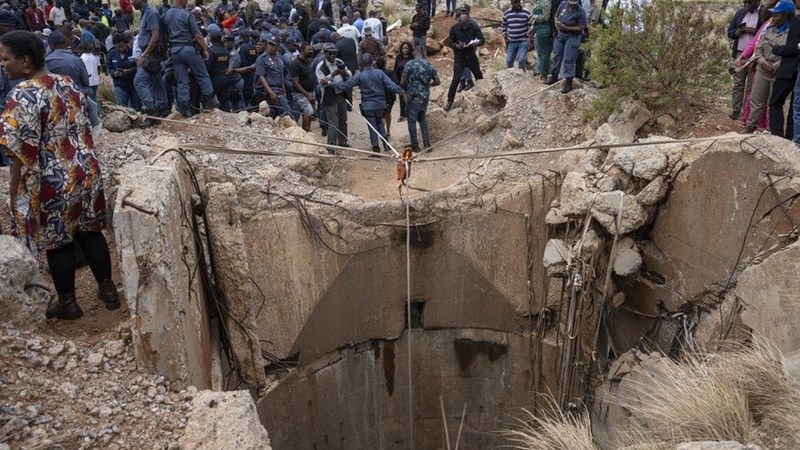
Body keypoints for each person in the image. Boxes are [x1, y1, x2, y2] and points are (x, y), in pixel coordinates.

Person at [0, 30, 120, 320]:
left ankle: (67, 302)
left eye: (5, 59)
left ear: (25, 61)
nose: (3, 65)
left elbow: (19, 152)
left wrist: (14, 192)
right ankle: (108, 290)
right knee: (90, 231)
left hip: (53, 181)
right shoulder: (67, 83)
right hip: (85, 171)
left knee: (58, 242)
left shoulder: (22, 94)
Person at [324, 52, 404, 154]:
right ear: (372, 62)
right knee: (380, 123)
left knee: (372, 127)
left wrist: (330, 83)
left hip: (368, 106)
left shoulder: (360, 76)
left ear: (362, 63)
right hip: (380, 104)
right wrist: (402, 92)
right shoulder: (379, 73)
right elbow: (391, 85)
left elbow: (345, 86)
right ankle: (386, 144)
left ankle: (376, 148)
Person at [163, 0, 218, 117]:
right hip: (188, 49)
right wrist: (205, 49)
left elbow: (165, 35)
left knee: (182, 80)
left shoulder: (166, 15)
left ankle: (184, 108)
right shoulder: (187, 15)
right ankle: (210, 102)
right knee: (202, 75)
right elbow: (197, 35)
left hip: (174, 51)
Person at [745, 0, 793, 133]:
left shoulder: (792, 33)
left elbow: (791, 54)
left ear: (785, 15)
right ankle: (750, 126)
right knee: (756, 100)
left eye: (777, 15)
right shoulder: (768, 29)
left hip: (778, 72)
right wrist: (761, 61)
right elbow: (758, 47)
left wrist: (776, 65)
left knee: (774, 103)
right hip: (762, 69)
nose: (774, 17)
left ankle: (771, 130)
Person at [133, 0, 169, 126]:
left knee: (139, 81)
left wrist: (144, 55)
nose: (132, 2)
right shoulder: (146, 13)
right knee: (156, 80)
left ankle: (152, 112)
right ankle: (163, 107)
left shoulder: (151, 13)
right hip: (152, 53)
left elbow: (155, 36)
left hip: (151, 53)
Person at [728, 0, 762, 120]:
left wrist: (754, 31)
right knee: (738, 83)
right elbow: (730, 32)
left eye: (749, 3)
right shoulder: (740, 13)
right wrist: (738, 32)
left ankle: (747, 114)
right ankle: (735, 111)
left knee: (751, 86)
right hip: (740, 53)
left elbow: (765, 32)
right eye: (745, 3)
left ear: (757, 1)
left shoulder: (763, 14)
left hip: (756, 55)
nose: (747, 5)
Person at [401, 45, 439, 153]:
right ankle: (427, 144)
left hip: (412, 97)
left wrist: (405, 90)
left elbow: (402, 82)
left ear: (414, 53)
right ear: (423, 53)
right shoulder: (429, 65)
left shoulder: (409, 64)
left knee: (411, 121)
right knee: (422, 119)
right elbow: (438, 81)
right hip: (424, 97)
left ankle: (415, 145)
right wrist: (428, 84)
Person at [443, 12, 484, 111]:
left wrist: (476, 43)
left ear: (468, 22)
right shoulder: (454, 28)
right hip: (459, 56)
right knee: (456, 79)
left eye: (465, 25)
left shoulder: (474, 26)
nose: (464, 27)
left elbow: (482, 40)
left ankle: (484, 96)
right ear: (459, 22)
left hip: (470, 54)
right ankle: (449, 101)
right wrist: (457, 45)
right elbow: (450, 42)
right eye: (462, 25)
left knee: (478, 75)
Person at [770, 7, 800, 139]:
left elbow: (792, 48)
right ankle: (790, 138)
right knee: (795, 107)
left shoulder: (797, 20)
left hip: (789, 68)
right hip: (795, 69)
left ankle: (777, 137)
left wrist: (776, 49)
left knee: (775, 102)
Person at [316, 43, 351, 152]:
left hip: (341, 95)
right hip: (329, 97)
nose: (332, 55)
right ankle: (331, 147)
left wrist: (344, 73)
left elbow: (349, 74)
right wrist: (333, 74)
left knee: (343, 120)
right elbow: (322, 82)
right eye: (330, 53)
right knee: (333, 124)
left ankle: (343, 141)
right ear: (325, 53)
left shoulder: (340, 62)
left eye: (334, 53)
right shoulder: (321, 66)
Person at [545, 0, 585, 94]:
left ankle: (568, 81)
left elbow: (581, 27)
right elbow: (556, 16)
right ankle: (554, 76)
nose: (571, 5)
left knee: (569, 58)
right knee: (557, 55)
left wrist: (566, 27)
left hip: (573, 36)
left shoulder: (580, 11)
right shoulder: (563, 5)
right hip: (561, 34)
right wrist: (557, 24)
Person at [254, 34, 291, 117]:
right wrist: (271, 93)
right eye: (269, 44)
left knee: (279, 115)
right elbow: (261, 77)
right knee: (287, 113)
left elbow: (281, 74)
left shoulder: (279, 57)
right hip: (270, 90)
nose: (270, 46)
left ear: (277, 46)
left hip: (280, 89)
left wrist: (284, 91)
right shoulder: (262, 58)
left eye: (273, 45)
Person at [107, 32, 140, 109]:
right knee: (122, 107)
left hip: (133, 84)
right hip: (119, 84)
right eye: (118, 47)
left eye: (122, 46)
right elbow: (109, 67)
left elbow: (138, 66)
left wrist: (130, 71)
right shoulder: (111, 54)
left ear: (127, 44)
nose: (121, 49)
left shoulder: (133, 52)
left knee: (136, 107)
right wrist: (115, 73)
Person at [290, 42, 317, 131]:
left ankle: (307, 130)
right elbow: (295, 82)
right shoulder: (296, 63)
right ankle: (305, 133)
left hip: (310, 92)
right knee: (309, 112)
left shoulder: (308, 61)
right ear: (302, 50)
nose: (311, 51)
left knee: (310, 113)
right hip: (300, 93)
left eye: (312, 49)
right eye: (308, 49)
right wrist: (307, 95)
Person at [206, 28, 232, 111]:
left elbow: (208, 66)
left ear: (210, 38)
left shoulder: (211, 51)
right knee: (224, 101)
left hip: (214, 79)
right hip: (225, 78)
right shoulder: (225, 51)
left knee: (205, 99)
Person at [501, 0, 531, 70]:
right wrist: (505, 36)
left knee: (521, 60)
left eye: (516, 3)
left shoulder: (526, 12)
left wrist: (529, 35)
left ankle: (522, 73)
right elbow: (503, 25)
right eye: (513, 3)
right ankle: (511, 74)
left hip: (523, 41)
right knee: (509, 60)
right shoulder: (507, 13)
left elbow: (531, 24)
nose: (515, 5)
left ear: (519, 3)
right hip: (512, 41)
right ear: (511, 4)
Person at [531, 0, 552, 79]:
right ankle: (542, 71)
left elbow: (546, 17)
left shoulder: (546, 2)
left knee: (545, 52)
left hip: (544, 27)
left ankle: (544, 73)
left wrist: (534, 17)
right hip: (538, 27)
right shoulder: (538, 1)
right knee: (540, 51)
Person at [394, 41, 413, 122]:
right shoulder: (398, 58)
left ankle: (410, 115)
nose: (405, 50)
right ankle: (402, 115)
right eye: (404, 48)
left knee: (410, 98)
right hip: (400, 81)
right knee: (402, 98)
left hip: (410, 81)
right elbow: (395, 69)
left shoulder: (412, 59)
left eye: (407, 48)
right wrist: (395, 81)